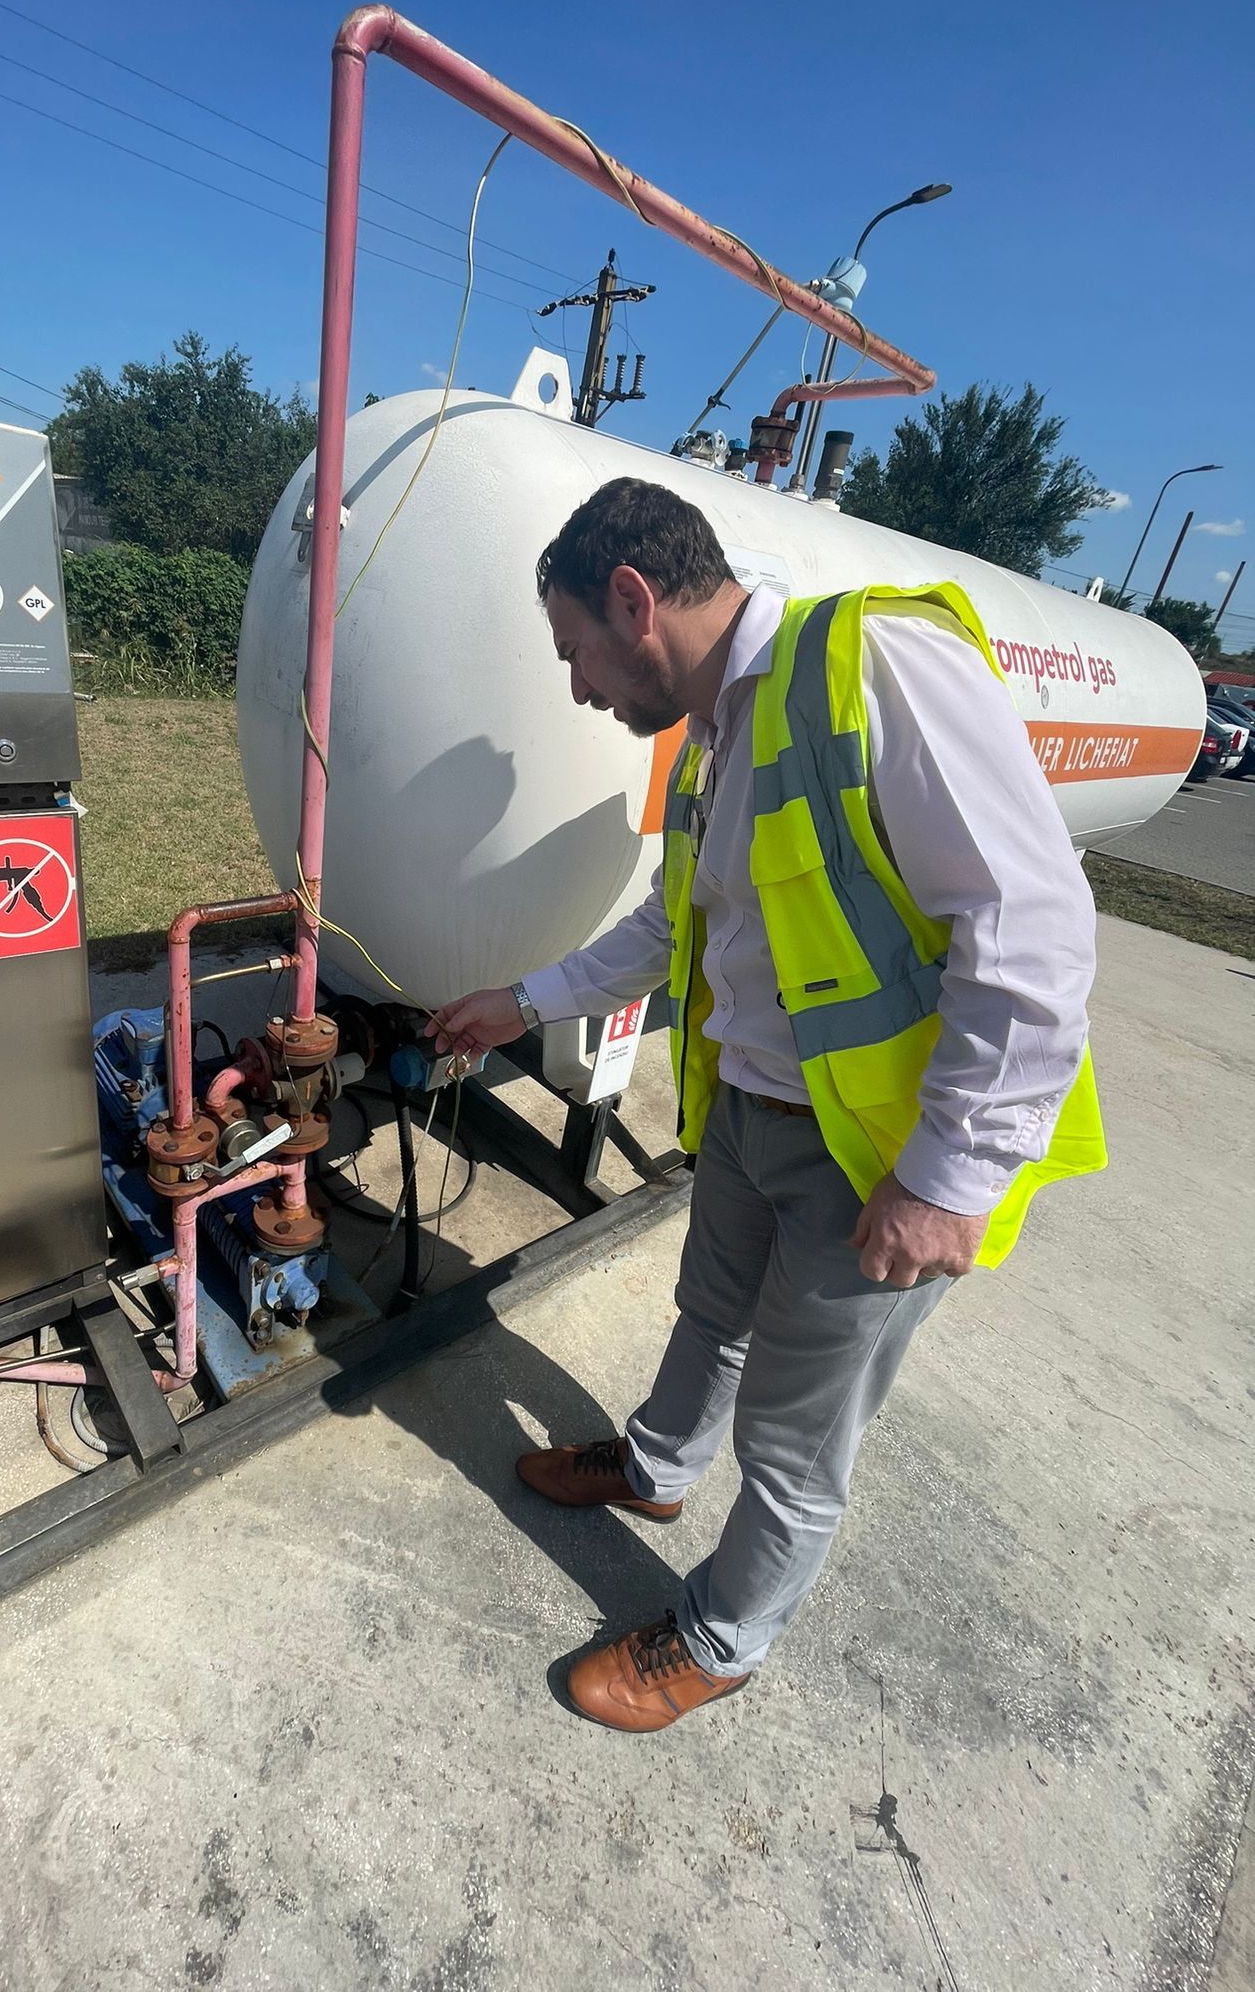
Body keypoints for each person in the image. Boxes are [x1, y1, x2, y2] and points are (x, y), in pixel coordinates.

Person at [430, 477, 1105, 1734]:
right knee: (711, 1318)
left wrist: (948, 1175)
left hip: (875, 1155)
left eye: (575, 649)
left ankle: (720, 1637)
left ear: (633, 599)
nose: (576, 685)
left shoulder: (875, 666)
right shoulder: (717, 733)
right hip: (750, 1112)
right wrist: (521, 1001)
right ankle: (655, 1466)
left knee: (798, 1438)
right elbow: (671, 924)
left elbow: (1034, 928)